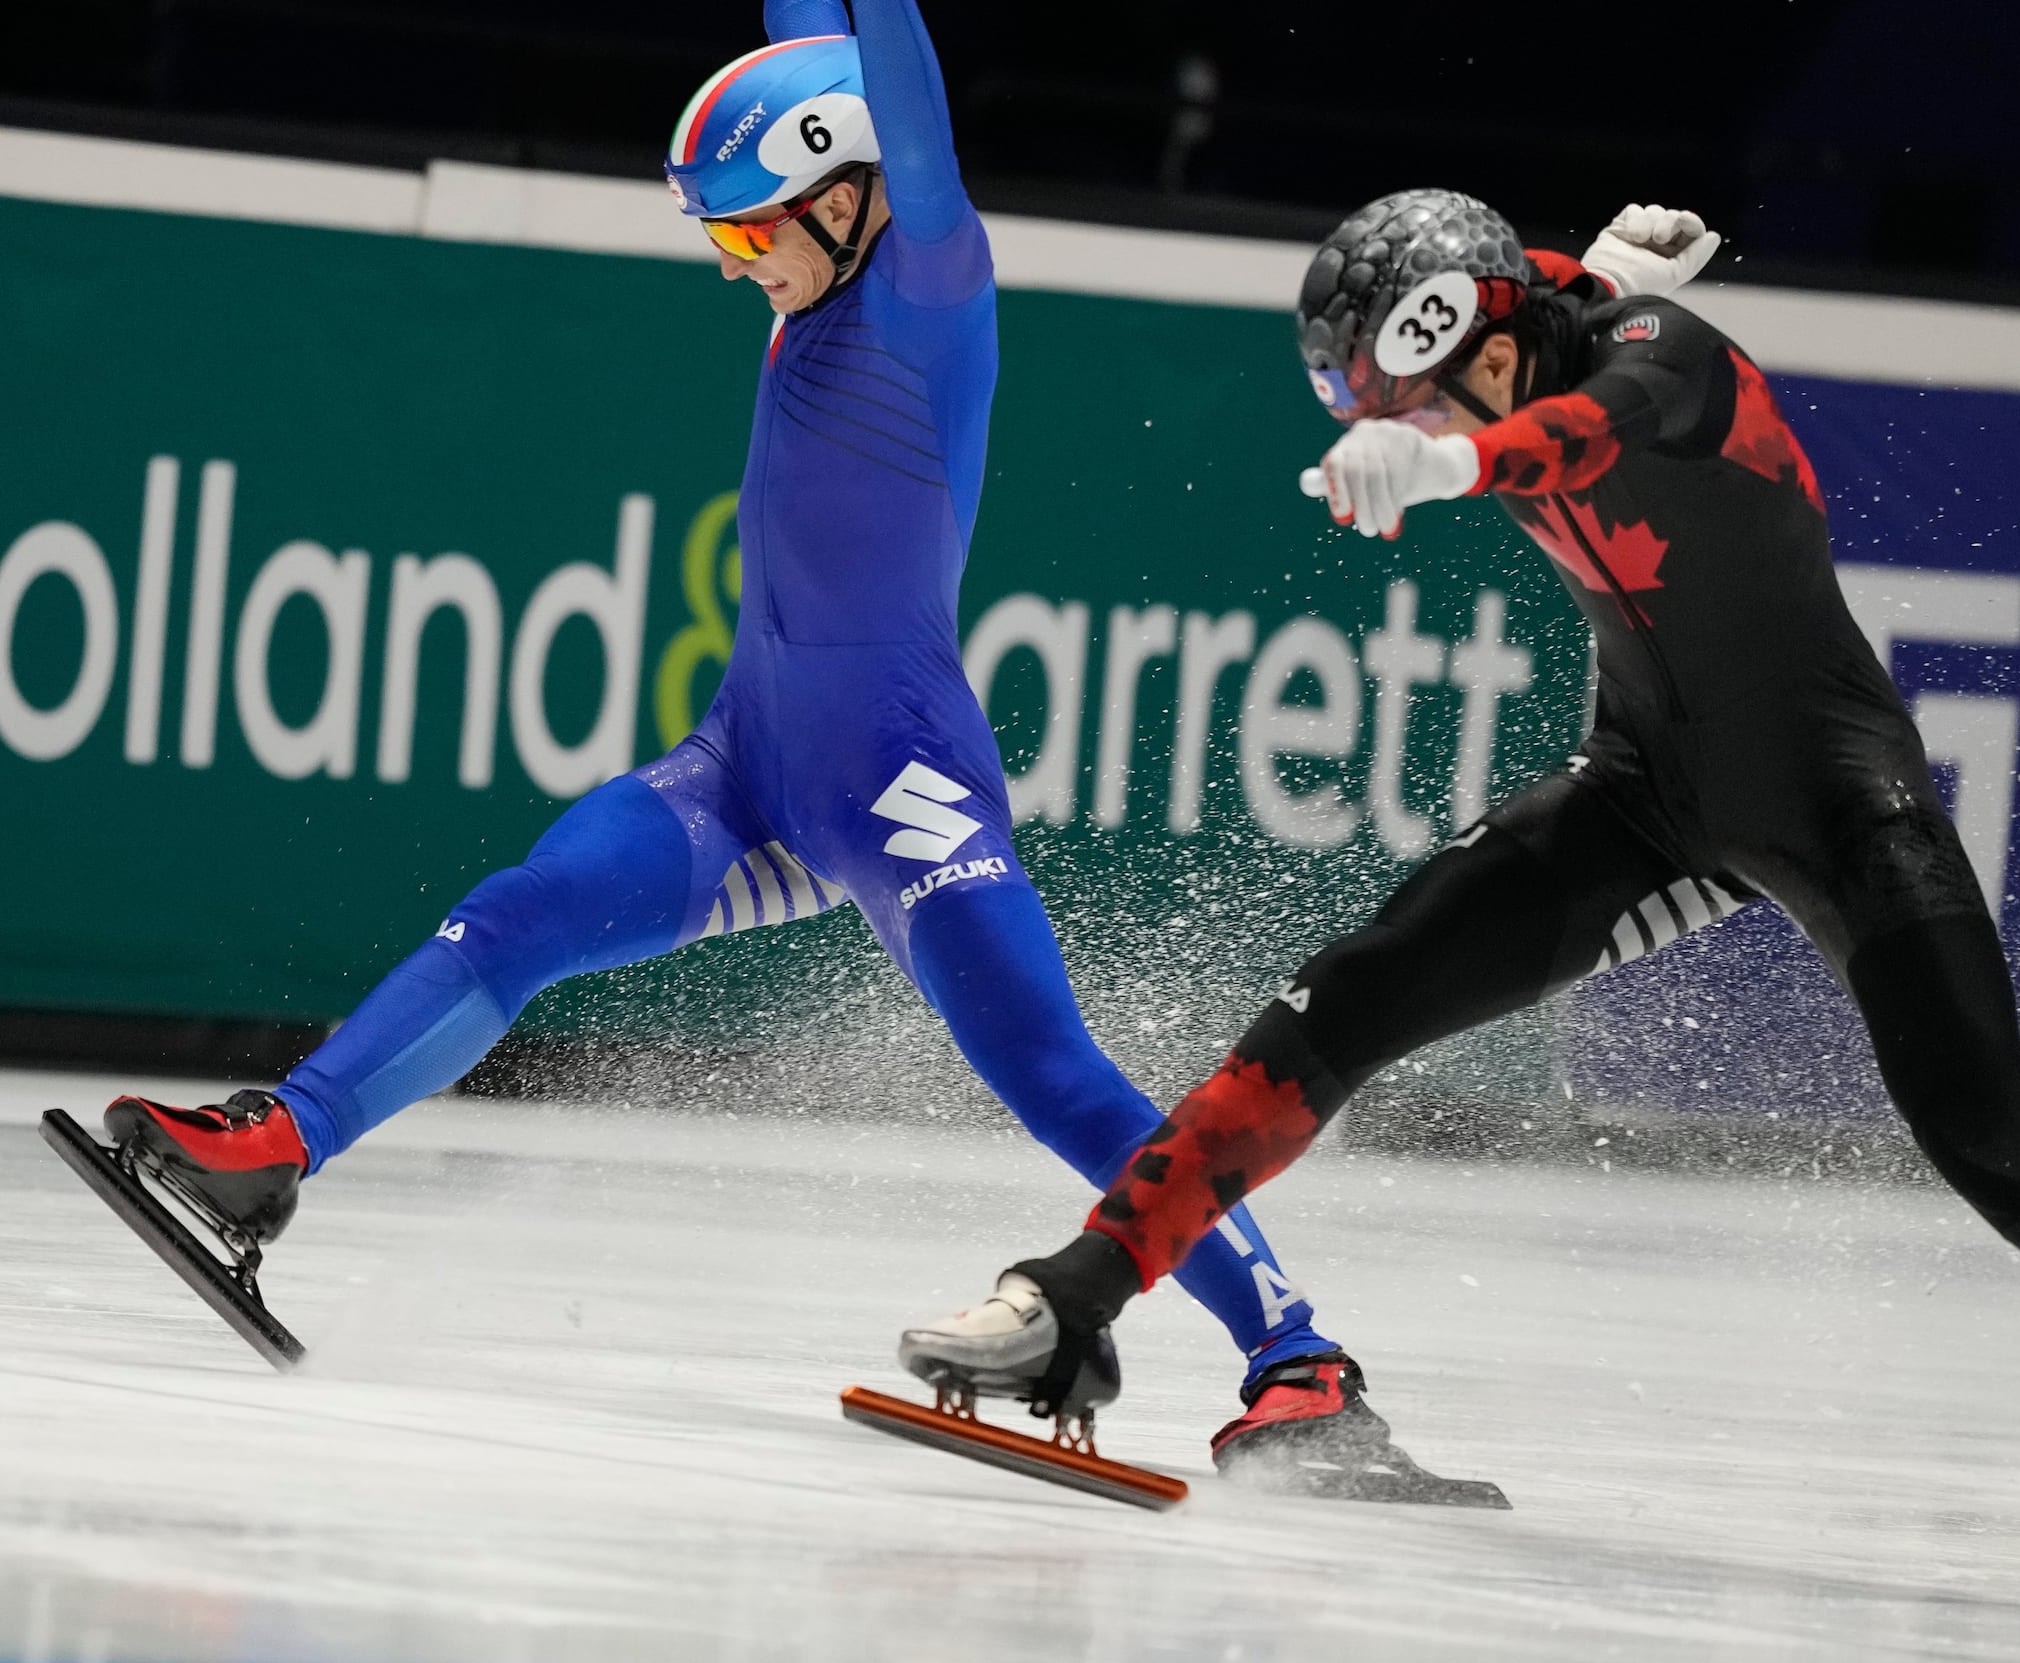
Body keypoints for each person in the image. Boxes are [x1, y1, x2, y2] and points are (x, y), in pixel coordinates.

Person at [84, 11, 1703, 1488]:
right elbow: (821, 38)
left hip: (903, 779)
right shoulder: (831, 255)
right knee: (518, 914)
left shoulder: (931, 269)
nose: (729, 264)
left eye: (741, 229)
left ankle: (1304, 1366)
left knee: (1057, 1080)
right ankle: (276, 1149)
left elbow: (898, 77)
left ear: (849, 193)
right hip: (748, 767)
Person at [901, 187, 2020, 1614]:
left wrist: (1457, 466)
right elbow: (1541, 293)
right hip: (1645, 796)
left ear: (1480, 351)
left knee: (2005, 1158)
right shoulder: (1525, 307)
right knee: (1346, 996)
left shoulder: (1670, 361)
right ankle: (1073, 1304)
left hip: (1843, 811)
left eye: (1411, 406)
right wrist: (1480, 379)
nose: (1398, 435)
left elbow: (1582, 425)